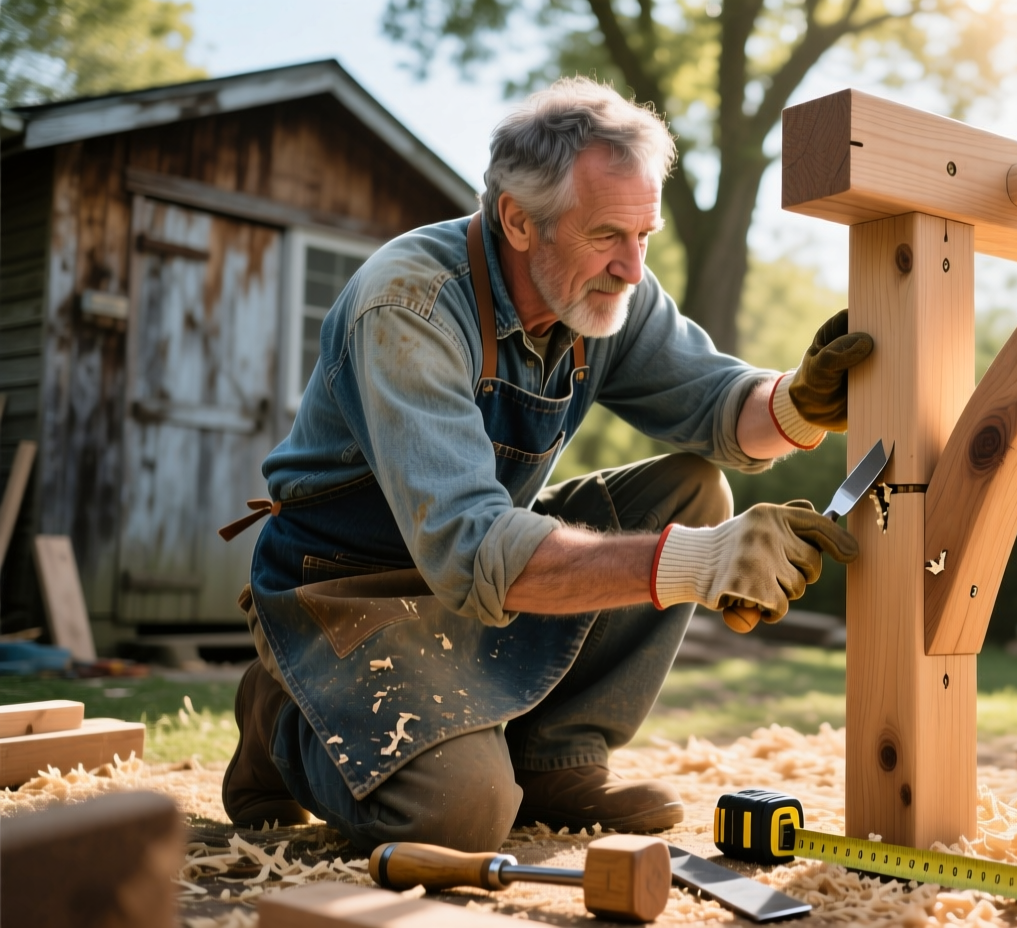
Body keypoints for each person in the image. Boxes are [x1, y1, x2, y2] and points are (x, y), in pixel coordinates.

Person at [217, 76, 872, 852]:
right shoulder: (408, 306)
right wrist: (699, 562)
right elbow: (472, 549)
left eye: (645, 236)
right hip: (347, 590)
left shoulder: (607, 290)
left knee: (693, 487)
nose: (632, 267)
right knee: (457, 818)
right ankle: (281, 721)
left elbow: (720, 409)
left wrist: (798, 403)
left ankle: (555, 759)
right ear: (519, 221)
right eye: (606, 236)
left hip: (473, 572)